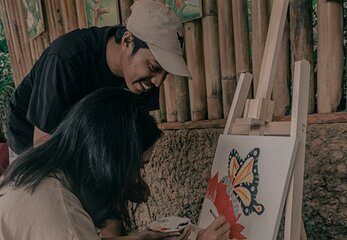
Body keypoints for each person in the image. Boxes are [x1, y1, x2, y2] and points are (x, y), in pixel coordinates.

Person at [0, 88, 230, 240]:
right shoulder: (57, 209)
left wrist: (140, 238)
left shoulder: (42, 173)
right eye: (138, 167)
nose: (139, 181)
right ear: (110, 160)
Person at [6, 0, 191, 162]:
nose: (158, 82)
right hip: (30, 138)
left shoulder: (143, 79)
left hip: (79, 137)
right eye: (154, 67)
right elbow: (42, 146)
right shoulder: (66, 59)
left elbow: (132, 137)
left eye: (165, 74)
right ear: (127, 41)